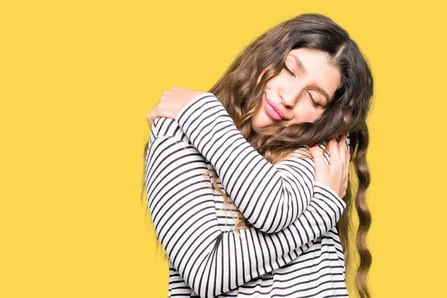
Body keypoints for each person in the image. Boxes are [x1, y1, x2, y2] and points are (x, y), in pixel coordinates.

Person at [143, 13, 372, 298]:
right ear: (266, 56)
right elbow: (205, 272)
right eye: (289, 70)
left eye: (314, 99)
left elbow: (272, 207)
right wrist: (320, 212)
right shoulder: (176, 132)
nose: (289, 98)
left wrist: (201, 110)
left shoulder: (318, 155)